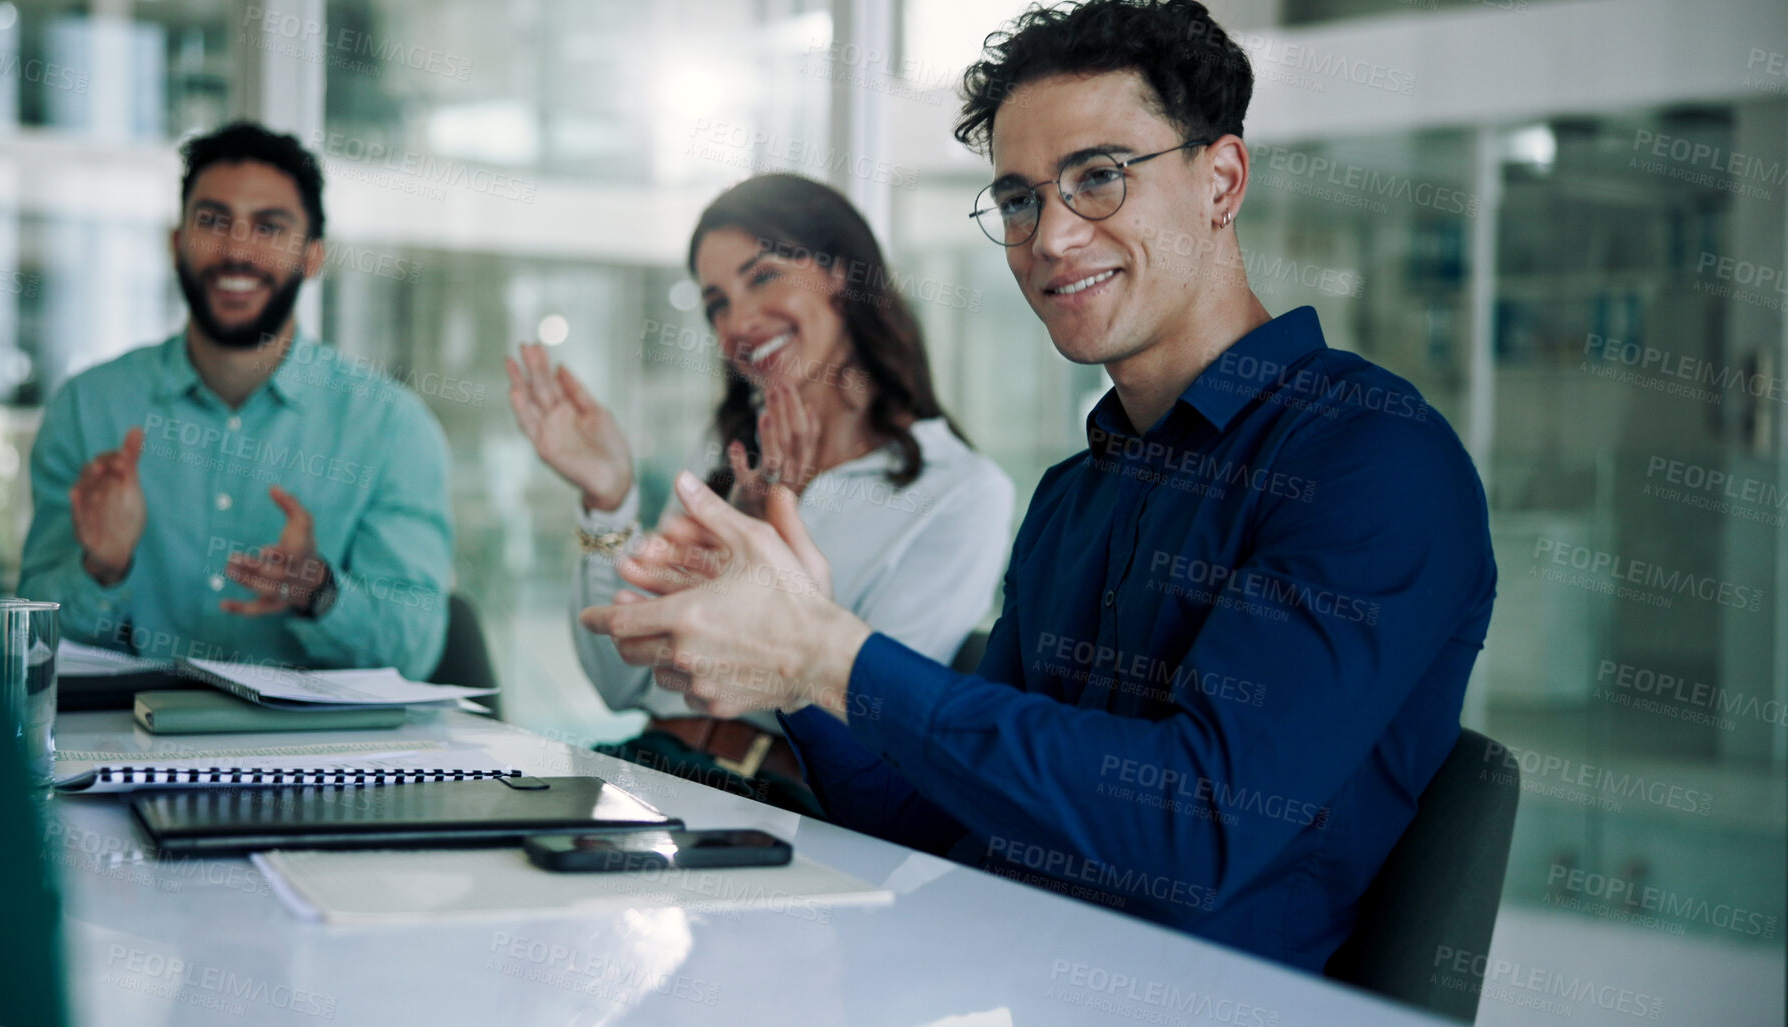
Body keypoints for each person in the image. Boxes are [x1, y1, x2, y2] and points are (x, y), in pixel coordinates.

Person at [580, 0, 1496, 974]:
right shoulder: (1073, 493)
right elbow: (934, 819)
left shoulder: (1371, 459)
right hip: (996, 981)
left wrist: (831, 654)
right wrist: (800, 663)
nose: (1051, 237)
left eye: (1098, 177)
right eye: (1019, 199)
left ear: (1221, 180)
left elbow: (1191, 831)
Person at [507, 173, 1014, 812]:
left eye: (763, 276)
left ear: (838, 272)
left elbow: (880, 734)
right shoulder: (728, 457)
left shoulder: (960, 492)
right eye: (716, 302)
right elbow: (619, 682)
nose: (739, 321)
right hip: (646, 771)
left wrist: (767, 552)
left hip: (776, 805)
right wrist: (610, 499)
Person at [20, 122, 453, 678]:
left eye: (269, 228)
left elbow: (414, 652)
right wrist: (101, 569)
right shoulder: (88, 409)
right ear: (176, 243)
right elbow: (33, 645)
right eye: (213, 221)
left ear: (312, 257)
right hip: (123, 752)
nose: (237, 250)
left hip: (318, 759)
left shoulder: (393, 429)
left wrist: (320, 592)